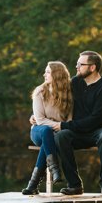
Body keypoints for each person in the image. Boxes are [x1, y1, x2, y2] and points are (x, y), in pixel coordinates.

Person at [54, 51, 102, 196]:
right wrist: (38, 114)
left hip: (100, 130)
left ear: (92, 68)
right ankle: (74, 185)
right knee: (61, 136)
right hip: (80, 132)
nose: (77, 67)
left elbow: (94, 120)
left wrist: (65, 125)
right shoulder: (75, 82)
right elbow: (55, 97)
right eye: (77, 64)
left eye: (81, 64)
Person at [22, 62, 73, 195]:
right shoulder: (40, 91)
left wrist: (61, 126)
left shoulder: (68, 93)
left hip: (56, 133)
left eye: (48, 72)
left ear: (57, 74)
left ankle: (32, 185)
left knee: (48, 139)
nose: (44, 74)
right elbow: (39, 120)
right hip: (38, 131)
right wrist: (57, 125)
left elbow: (70, 120)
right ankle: (55, 169)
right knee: (46, 131)